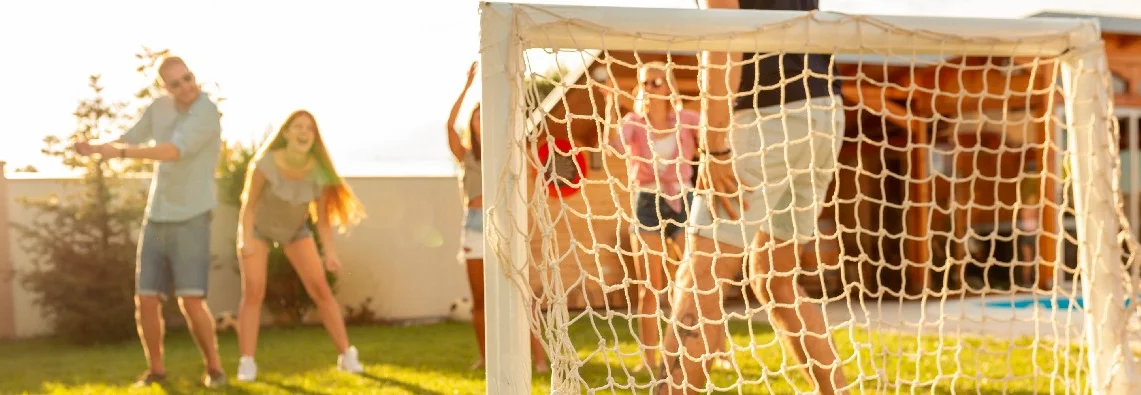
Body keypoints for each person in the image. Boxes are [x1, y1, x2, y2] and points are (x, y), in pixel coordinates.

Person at [657, 1, 851, 394]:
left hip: (766, 116)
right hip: (824, 113)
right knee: (776, 279)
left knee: (702, 276)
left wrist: (715, 148)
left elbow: (724, 40)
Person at [74, 56, 228, 388]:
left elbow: (172, 151)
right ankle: (156, 371)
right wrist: (98, 148)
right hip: (157, 216)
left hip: (193, 216)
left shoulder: (206, 111)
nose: (186, 86)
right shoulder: (158, 109)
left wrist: (122, 155)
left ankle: (214, 368)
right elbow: (130, 138)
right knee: (145, 299)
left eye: (188, 78)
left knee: (190, 300)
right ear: (165, 87)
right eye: (176, 83)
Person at [234, 109, 367, 382]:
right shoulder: (265, 163)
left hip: (296, 231)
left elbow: (322, 219)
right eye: (298, 127)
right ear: (286, 133)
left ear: (314, 137)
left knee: (321, 289)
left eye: (309, 128)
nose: (304, 132)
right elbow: (248, 206)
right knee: (254, 291)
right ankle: (247, 362)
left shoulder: (319, 173)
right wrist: (245, 239)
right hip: (258, 230)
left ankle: (346, 354)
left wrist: (329, 252)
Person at [447, 61, 549, 372]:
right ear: (472, 123)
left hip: (504, 225)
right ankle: (486, 357)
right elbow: (449, 126)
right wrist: (466, 88)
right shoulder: (465, 155)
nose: (480, 120)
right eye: (476, 117)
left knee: (520, 294)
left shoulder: (505, 152)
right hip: (474, 227)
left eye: (484, 116)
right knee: (480, 299)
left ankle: (539, 359)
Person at [607, 61, 702, 371]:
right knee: (650, 287)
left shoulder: (686, 119)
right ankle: (649, 360)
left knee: (693, 281)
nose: (652, 87)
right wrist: (610, 108)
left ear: (669, 86)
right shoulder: (634, 123)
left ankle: (709, 350)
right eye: (646, 83)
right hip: (647, 202)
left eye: (658, 82)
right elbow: (615, 148)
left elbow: (714, 137)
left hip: (684, 201)